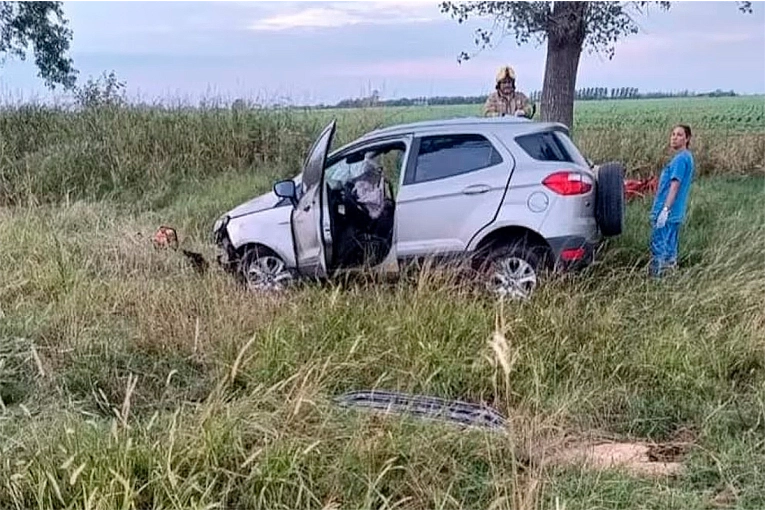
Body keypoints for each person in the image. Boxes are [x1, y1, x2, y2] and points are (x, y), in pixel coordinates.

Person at [649, 124, 695, 278]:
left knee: (659, 247)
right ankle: (670, 277)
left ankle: (657, 280)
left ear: (687, 138)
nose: (675, 137)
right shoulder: (687, 157)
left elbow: (674, 186)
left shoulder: (680, 160)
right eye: (673, 134)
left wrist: (665, 210)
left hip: (667, 212)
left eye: (679, 135)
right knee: (670, 248)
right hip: (676, 213)